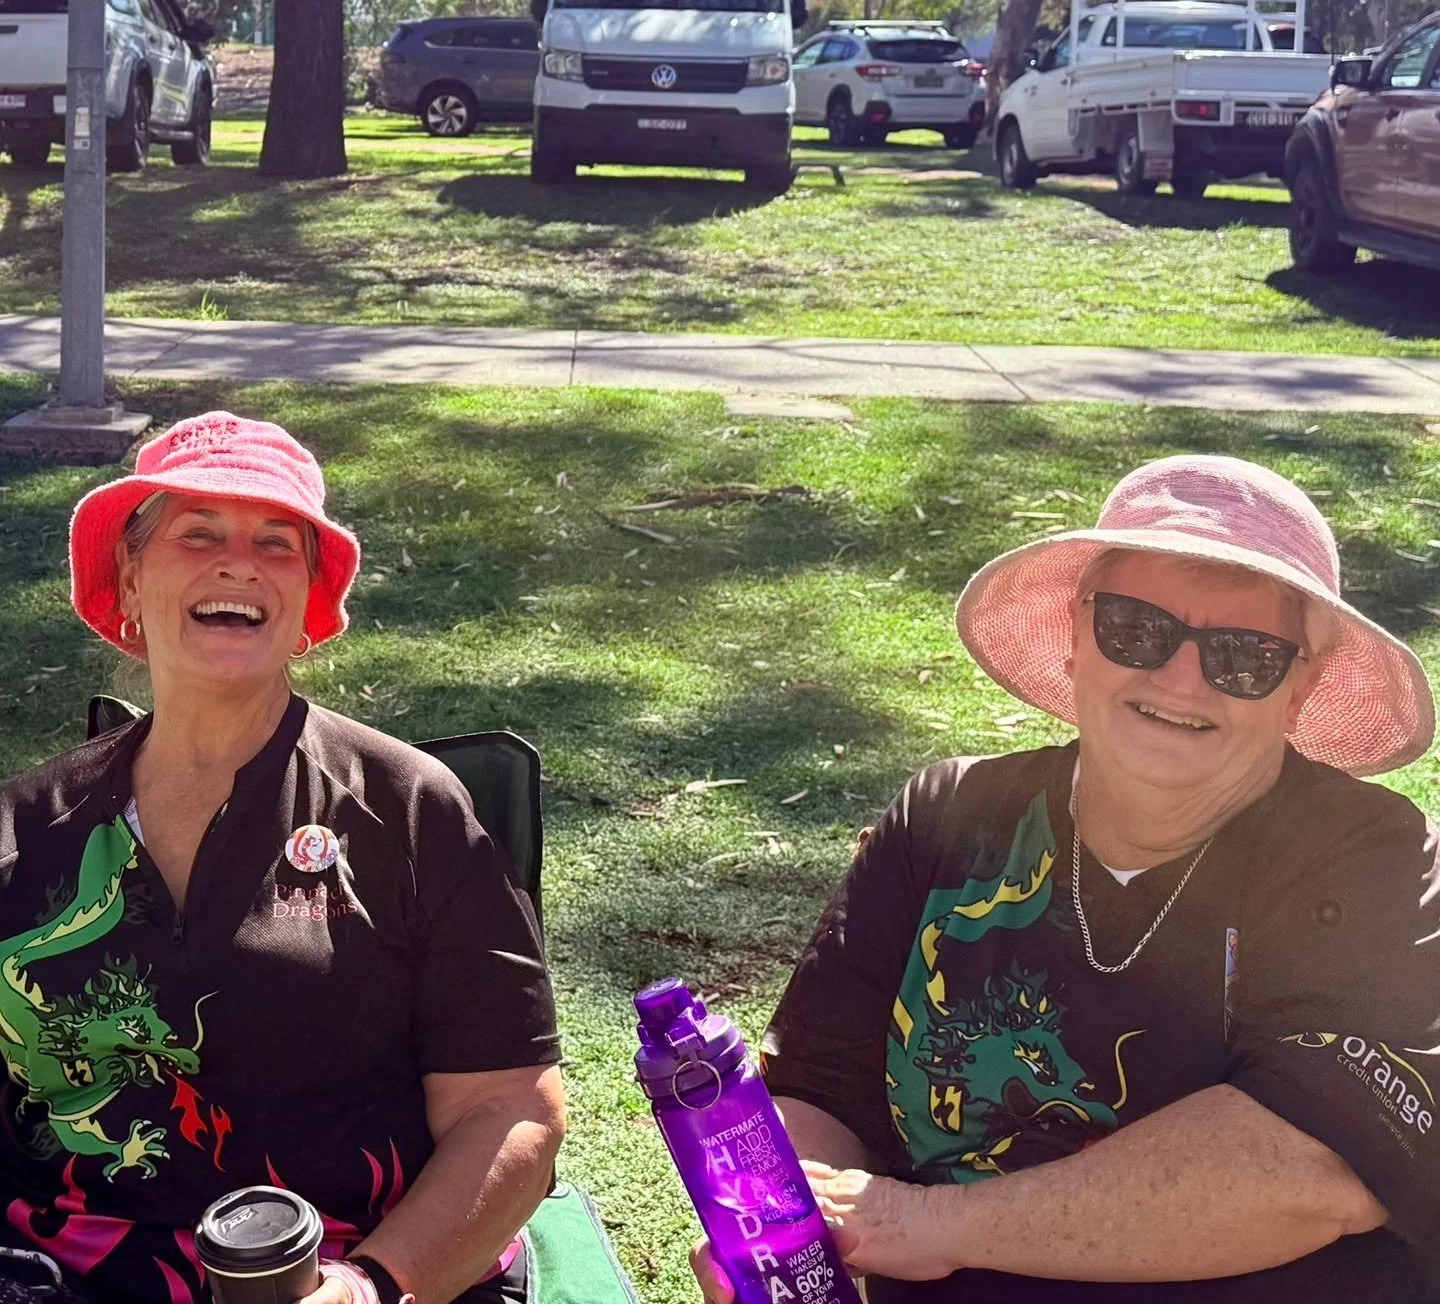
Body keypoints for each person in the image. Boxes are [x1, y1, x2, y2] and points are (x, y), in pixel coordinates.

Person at [696, 454, 1440, 1302]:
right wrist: (784, 1234)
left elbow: (1317, 1162)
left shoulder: (1374, 857)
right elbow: (819, 1088)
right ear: (1075, 634)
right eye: (1136, 629)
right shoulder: (948, 815)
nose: (1180, 677)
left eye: (1245, 655)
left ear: (1302, 684)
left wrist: (932, 1226)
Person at [0, 412, 564, 1304]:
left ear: (307, 603)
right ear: (132, 581)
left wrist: (374, 1285)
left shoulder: (408, 809)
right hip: (67, 1269)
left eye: (277, 542)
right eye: (199, 534)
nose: (239, 562)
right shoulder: (24, 829)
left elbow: (508, 1109)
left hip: (349, 1265)